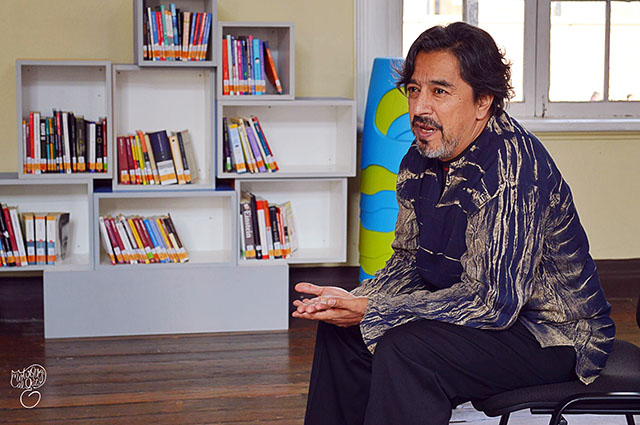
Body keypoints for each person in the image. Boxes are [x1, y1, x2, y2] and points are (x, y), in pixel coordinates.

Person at [292, 22, 615, 425]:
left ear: (483, 102)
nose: (419, 108)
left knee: (408, 349)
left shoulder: (511, 169)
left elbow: (492, 303)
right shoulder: (420, 157)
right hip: (477, 312)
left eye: (439, 92)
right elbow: (408, 261)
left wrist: (373, 309)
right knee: (344, 331)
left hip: (550, 334)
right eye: (414, 90)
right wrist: (352, 302)